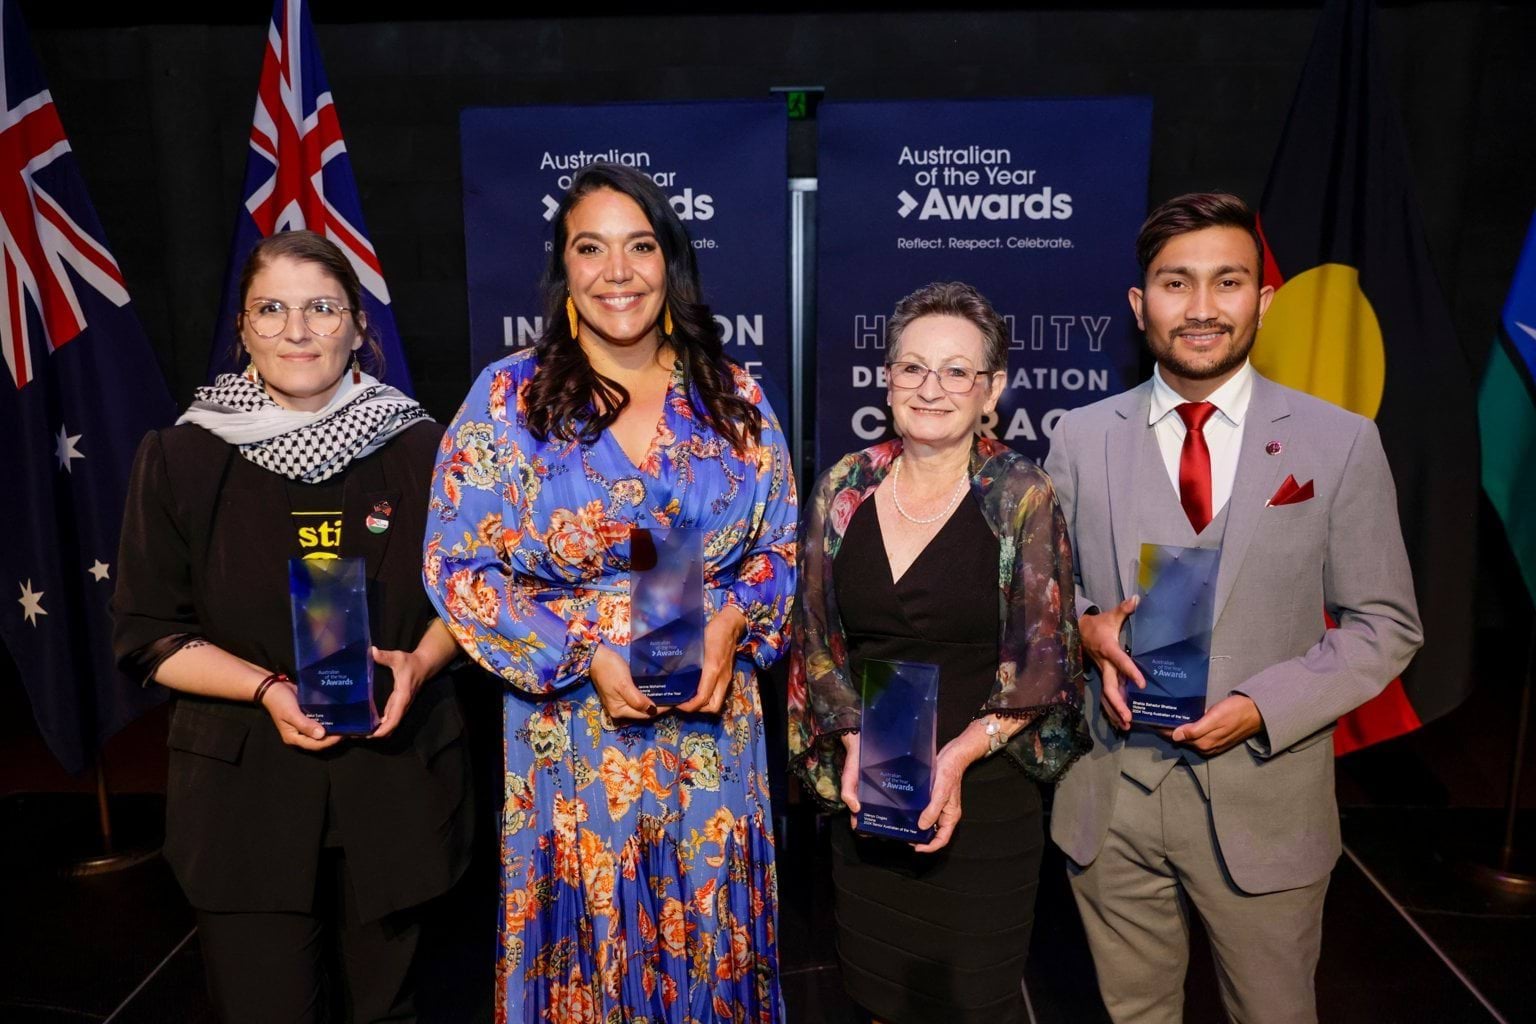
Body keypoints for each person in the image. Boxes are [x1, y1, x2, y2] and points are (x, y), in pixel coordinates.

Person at [422, 162, 797, 1023]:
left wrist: (732, 622)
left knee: (712, 935)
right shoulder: (507, 399)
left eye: (639, 246)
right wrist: (583, 650)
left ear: (671, 261)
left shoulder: (732, 395)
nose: (617, 272)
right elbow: (455, 567)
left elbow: (782, 546)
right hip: (570, 738)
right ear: (564, 269)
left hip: (710, 736)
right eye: (590, 249)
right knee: (583, 948)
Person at [1045, 192, 1424, 1024]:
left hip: (1265, 803)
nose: (1204, 308)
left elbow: (1385, 624)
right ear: (1142, 305)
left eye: (1228, 281)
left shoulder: (1339, 442)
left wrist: (1263, 707)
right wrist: (1081, 626)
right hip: (1112, 795)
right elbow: (1044, 591)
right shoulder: (1078, 437)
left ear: (1264, 299)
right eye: (1177, 284)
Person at [111, 230, 472, 1023]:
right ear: (241, 329)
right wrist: (268, 686)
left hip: (396, 783)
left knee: (393, 1011)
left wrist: (420, 660)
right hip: (244, 801)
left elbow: (470, 600)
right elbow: (146, 631)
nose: (297, 331)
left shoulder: (425, 447)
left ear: (357, 327)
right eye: (270, 310)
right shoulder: (180, 457)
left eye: (320, 308)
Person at [787, 281, 1089, 1024]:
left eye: (957, 371)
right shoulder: (843, 487)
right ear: (886, 380)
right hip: (873, 791)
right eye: (913, 367)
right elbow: (815, 641)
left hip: (984, 798)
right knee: (875, 998)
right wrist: (857, 742)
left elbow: (1048, 655)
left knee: (969, 1003)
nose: (932, 388)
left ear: (992, 391)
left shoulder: (1021, 493)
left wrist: (953, 760)